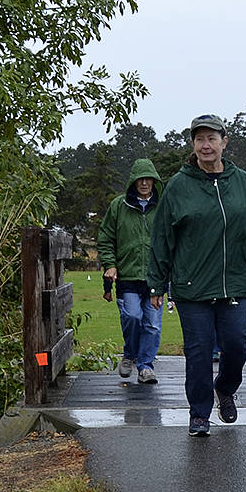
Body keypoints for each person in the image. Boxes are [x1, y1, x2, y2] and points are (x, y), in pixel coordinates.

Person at [147, 114, 246, 437]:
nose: (206, 145)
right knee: (199, 351)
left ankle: (226, 388)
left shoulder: (242, 181)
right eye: (200, 139)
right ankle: (199, 413)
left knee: (237, 344)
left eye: (212, 139)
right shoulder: (178, 185)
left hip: (235, 283)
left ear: (224, 142)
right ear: (193, 145)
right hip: (192, 287)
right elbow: (162, 236)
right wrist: (157, 281)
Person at [97, 158, 164, 384]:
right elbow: (106, 237)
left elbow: (172, 240)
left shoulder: (163, 206)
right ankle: (129, 354)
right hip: (127, 276)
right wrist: (110, 264)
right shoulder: (119, 206)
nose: (144, 183)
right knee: (133, 317)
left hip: (155, 276)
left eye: (148, 179)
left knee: (153, 324)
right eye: (140, 179)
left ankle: (145, 366)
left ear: (154, 181)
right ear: (133, 181)